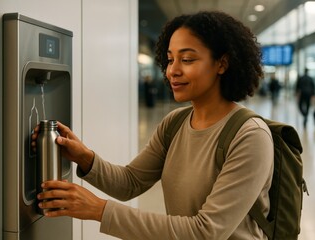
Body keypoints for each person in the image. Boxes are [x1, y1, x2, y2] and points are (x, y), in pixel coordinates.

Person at [32, 11, 274, 240]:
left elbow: (205, 232)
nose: (173, 71)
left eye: (187, 59)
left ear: (222, 64)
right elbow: (130, 182)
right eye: (170, 60)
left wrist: (98, 209)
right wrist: (84, 157)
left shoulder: (250, 136)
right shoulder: (175, 123)